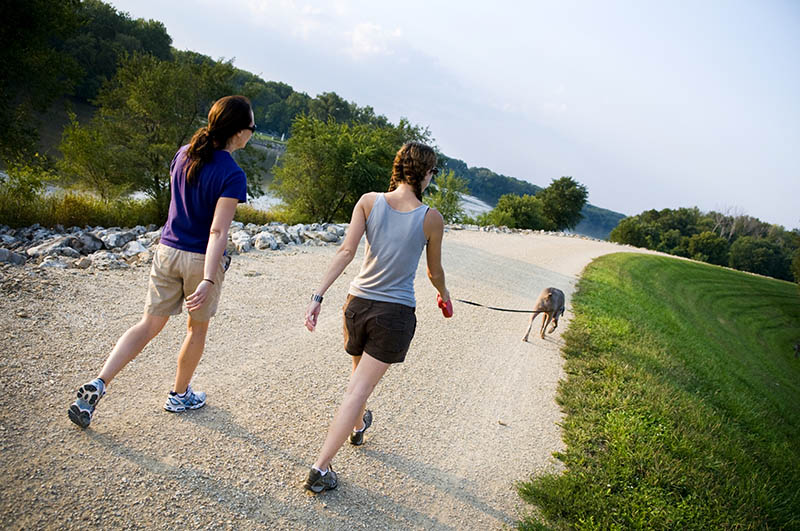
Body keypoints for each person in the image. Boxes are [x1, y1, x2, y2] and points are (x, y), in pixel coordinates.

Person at [68, 95, 255, 428]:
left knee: (148, 325)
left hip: (167, 251)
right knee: (197, 329)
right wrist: (210, 277)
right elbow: (217, 231)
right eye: (252, 128)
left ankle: (99, 382)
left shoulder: (183, 153)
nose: (252, 133)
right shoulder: (233, 174)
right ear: (238, 133)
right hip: (200, 259)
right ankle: (179, 394)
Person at [302, 141, 452, 493]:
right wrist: (444, 295)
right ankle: (320, 469)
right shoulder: (431, 218)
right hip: (394, 313)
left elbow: (346, 251)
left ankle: (357, 427)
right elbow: (434, 272)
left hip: (356, 306)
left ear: (400, 169)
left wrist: (317, 296)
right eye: (433, 173)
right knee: (358, 388)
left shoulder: (369, 201)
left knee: (358, 378)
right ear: (426, 174)